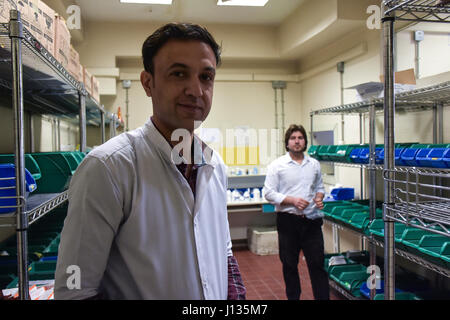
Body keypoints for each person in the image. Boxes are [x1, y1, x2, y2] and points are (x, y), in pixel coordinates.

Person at [54, 23, 246, 300]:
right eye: (179, 74)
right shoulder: (108, 168)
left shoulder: (215, 167)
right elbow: (74, 290)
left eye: (206, 77)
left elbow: (224, 250)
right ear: (148, 83)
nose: (196, 90)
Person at [263, 124, 329, 300]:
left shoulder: (314, 164)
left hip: (312, 222)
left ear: (305, 141)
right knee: (289, 265)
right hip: (288, 222)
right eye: (293, 138)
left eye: (300, 138)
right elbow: (268, 193)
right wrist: (292, 200)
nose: (297, 141)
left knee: (317, 264)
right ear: (287, 143)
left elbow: (319, 187)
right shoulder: (277, 165)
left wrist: (319, 197)